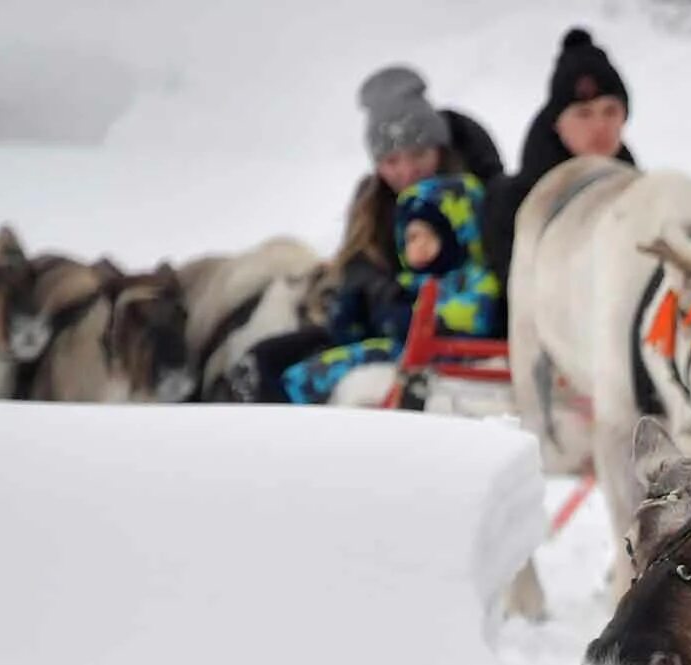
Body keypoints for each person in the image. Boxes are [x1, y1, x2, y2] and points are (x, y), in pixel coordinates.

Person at [220, 66, 502, 402]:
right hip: (378, 326)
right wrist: (371, 294)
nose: (407, 172)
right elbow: (356, 265)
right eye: (391, 162)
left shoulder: (472, 195)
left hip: (433, 335)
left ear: (440, 147)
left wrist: (409, 309)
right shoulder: (371, 203)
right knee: (263, 361)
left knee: (311, 378)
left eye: (418, 155)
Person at [280, 172, 501, 405]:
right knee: (308, 372)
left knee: (341, 367)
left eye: (431, 236)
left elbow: (472, 319)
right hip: (402, 352)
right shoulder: (405, 283)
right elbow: (361, 331)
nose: (419, 246)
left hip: (446, 357)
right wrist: (352, 313)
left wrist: (408, 318)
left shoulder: (474, 280)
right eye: (412, 238)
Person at [483, 28, 638, 292]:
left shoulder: (639, 196)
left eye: (610, 111)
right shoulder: (513, 204)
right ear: (557, 123)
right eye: (583, 114)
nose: (600, 126)